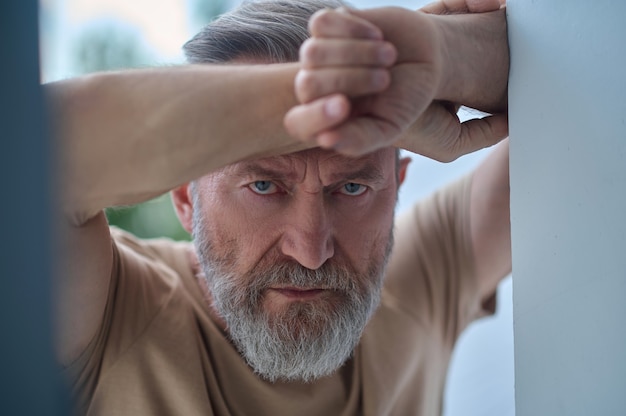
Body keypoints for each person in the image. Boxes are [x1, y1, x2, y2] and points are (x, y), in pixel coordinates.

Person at [49, 0, 510, 414]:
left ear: (396, 189)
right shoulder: (109, 314)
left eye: (351, 188)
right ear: (187, 196)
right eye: (264, 185)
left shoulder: (418, 287)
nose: (311, 252)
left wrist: (442, 52)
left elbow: (575, 71)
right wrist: (357, 92)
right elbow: (30, 145)